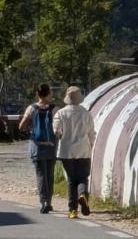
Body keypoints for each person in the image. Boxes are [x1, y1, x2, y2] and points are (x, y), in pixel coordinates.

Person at [52, 86, 95, 219]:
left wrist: (62, 136)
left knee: (71, 180)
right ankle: (82, 194)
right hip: (83, 149)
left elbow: (56, 131)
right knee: (83, 177)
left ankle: (73, 210)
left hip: (67, 151)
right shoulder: (86, 113)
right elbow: (91, 133)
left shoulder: (60, 113)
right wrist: (91, 144)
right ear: (79, 99)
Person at [17, 84, 58, 214]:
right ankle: (49, 202)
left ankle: (44, 202)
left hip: (37, 146)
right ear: (49, 93)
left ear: (37, 94)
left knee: (41, 174)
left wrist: (31, 127)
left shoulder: (32, 108)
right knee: (50, 175)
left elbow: (21, 127)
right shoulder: (55, 109)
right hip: (51, 146)